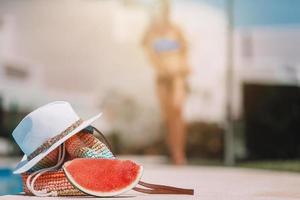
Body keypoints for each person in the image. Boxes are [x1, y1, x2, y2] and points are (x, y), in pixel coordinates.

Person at [142, 0, 190, 165]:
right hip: (162, 78)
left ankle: (180, 153)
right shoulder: (151, 32)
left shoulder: (176, 30)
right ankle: (174, 152)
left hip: (177, 76)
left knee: (178, 111)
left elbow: (185, 49)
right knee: (168, 116)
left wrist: (182, 68)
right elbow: (149, 52)